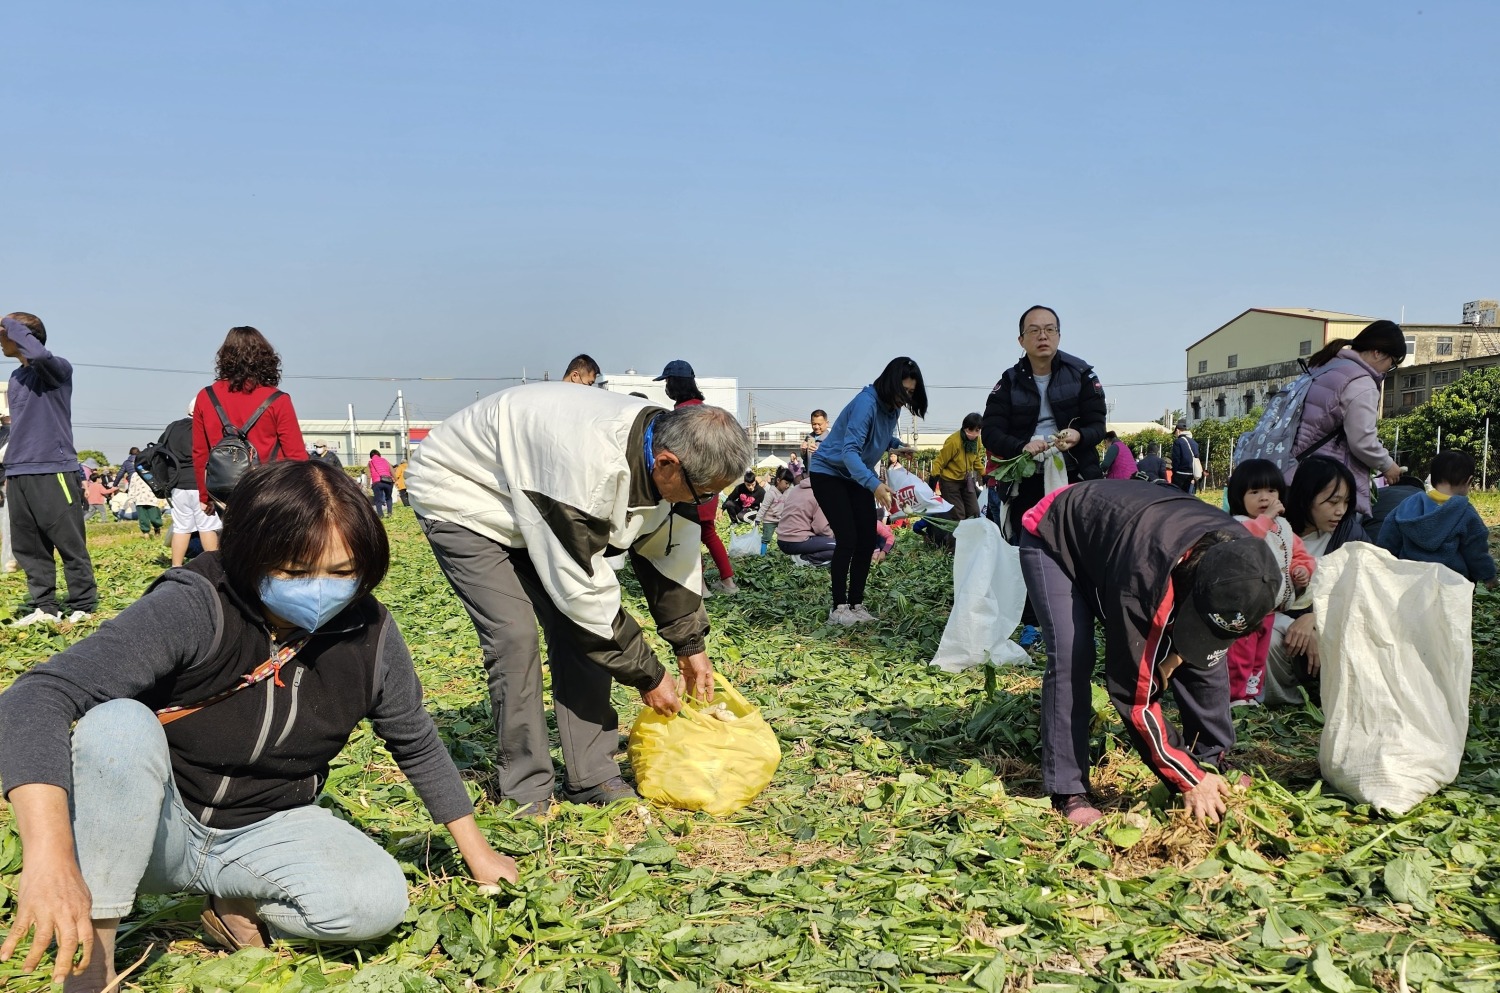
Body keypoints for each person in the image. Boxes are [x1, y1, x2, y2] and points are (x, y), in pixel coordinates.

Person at [0, 461, 517, 992]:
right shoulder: (197, 603)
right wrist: (50, 859)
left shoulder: (371, 631)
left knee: (374, 902)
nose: (320, 590)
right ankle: (96, 962)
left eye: (342, 573)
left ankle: (231, 901)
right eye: (294, 572)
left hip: (266, 825)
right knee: (117, 726)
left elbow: (415, 739)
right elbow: (36, 696)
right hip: (155, 824)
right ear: (248, 553)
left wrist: (479, 855)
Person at [407, 385, 752, 814]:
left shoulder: (672, 452)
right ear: (666, 463)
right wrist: (649, 675)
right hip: (466, 496)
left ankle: (591, 773)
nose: (706, 503)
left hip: (536, 497)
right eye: (703, 493)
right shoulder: (588, 468)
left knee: (582, 632)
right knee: (515, 636)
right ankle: (526, 785)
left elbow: (672, 552)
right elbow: (584, 594)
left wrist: (690, 645)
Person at [1019, 480, 1280, 827]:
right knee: (1073, 655)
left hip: (1135, 526)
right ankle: (1067, 787)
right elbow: (1134, 695)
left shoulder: (1244, 564)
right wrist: (1185, 777)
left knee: (1207, 659)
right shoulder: (1144, 582)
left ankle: (1213, 757)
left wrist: (1175, 658)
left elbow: (1210, 643)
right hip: (1058, 532)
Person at [810, 357, 926, 626]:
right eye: (904, 391)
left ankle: (856, 604)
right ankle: (838, 608)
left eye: (911, 393)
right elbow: (848, 452)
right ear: (889, 383)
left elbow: (879, 437)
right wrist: (874, 485)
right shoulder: (866, 404)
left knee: (866, 538)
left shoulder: (892, 407)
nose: (906, 398)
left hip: (857, 473)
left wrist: (896, 446)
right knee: (848, 537)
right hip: (830, 473)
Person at [0, 313, 98, 626]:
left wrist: (8, 323)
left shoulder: (57, 369)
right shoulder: (16, 378)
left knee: (68, 541)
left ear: (20, 335)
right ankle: (45, 609)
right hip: (18, 469)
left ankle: (83, 604)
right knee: (28, 546)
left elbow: (40, 354)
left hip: (53, 466)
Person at [981, 306, 1109, 537]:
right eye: (1034, 330)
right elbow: (990, 432)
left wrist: (1078, 436)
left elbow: (1098, 427)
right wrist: (1021, 446)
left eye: (1050, 329)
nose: (1043, 336)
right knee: (1027, 548)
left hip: (1074, 477)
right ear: (1021, 340)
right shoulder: (1009, 381)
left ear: (1059, 335)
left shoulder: (1082, 374)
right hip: (1025, 479)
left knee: (1075, 546)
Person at [1260, 456, 1370, 708]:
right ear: (1306, 497)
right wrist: (1293, 625)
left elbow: (1368, 590)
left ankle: (1336, 696)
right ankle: (1287, 699)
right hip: (1284, 630)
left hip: (1334, 627)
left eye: (1346, 502)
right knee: (1268, 640)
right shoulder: (1274, 533)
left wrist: (1317, 619)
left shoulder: (1349, 534)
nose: (1340, 511)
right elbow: (1251, 600)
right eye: (1333, 502)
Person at [1224, 459, 1315, 706]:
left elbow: (1300, 554)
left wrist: (1301, 569)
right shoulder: (1239, 525)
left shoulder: (1284, 527)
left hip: (1270, 607)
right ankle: (1236, 696)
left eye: (1271, 491)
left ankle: (1252, 694)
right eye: (1255, 492)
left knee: (1258, 655)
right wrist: (1266, 519)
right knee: (1240, 653)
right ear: (1238, 496)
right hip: (1245, 607)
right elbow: (1246, 543)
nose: (1264, 498)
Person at [1292, 319, 1407, 516]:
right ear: (1377, 352)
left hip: (1294, 471)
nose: (1389, 369)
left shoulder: (1325, 365)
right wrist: (1387, 465)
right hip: (1327, 482)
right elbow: (1362, 440)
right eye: (1392, 363)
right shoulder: (1361, 382)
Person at [192, 327, 309, 510]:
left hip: (226, 494)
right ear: (265, 358)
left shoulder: (205, 397)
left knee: (233, 538)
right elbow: (296, 456)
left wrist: (205, 496)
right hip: (271, 491)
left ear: (224, 358)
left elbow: (200, 452)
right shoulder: (278, 400)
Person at [658, 360, 737, 594]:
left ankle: (701, 587)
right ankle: (728, 582)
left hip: (688, 488)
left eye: (667, 383)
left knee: (689, 536)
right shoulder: (709, 412)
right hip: (709, 487)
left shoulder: (678, 416)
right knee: (709, 534)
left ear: (674, 384)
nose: (666, 388)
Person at [1378, 450, 1496, 586]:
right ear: (1468, 481)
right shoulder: (1465, 512)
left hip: (1409, 581)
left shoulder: (1408, 505)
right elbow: (1476, 551)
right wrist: (1488, 576)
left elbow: (1388, 537)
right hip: (1450, 585)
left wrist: (1383, 564)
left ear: (1432, 479)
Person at [932, 413, 985, 521]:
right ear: (965, 428)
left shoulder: (977, 441)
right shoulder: (953, 441)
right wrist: (933, 478)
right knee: (959, 516)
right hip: (950, 482)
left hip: (966, 480)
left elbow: (976, 460)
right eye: (971, 430)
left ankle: (971, 537)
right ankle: (953, 538)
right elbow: (939, 461)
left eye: (977, 430)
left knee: (974, 513)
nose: (974, 434)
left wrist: (984, 474)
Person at [776, 474, 836, 566]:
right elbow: (821, 527)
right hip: (797, 541)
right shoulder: (820, 493)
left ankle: (803, 555)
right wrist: (834, 537)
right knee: (843, 547)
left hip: (781, 540)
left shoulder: (796, 489)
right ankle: (805, 558)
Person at [757, 468, 794, 548]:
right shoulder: (770, 494)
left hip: (782, 519)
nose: (787, 486)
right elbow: (764, 507)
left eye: (789, 484)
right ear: (778, 480)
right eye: (786, 483)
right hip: (769, 521)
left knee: (785, 537)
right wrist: (758, 519)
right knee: (766, 538)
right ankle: (762, 554)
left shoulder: (788, 492)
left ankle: (785, 552)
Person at [1171, 422, 1200, 494]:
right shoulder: (1194, 442)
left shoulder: (1178, 442)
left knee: (1178, 497)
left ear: (1177, 430)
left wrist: (1174, 472)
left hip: (1181, 474)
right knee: (1189, 497)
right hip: (1192, 474)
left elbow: (1176, 459)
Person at [368, 450, 395, 519]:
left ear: (371, 456)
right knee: (389, 498)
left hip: (377, 482)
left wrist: (368, 485)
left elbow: (368, 475)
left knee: (378, 500)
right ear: (379, 454)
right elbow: (392, 470)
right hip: (388, 481)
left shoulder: (370, 462)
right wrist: (395, 479)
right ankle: (389, 513)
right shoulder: (385, 460)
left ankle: (381, 515)